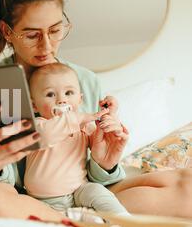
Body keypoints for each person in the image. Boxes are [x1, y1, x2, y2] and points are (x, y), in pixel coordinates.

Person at [0, 0, 192, 221]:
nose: (47, 45)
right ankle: (71, 220)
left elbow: (99, 178)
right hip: (20, 197)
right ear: (7, 32)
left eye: (55, 30)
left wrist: (104, 162)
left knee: (187, 186)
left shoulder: (84, 81)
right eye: (32, 35)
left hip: (82, 192)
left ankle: (70, 218)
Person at [25, 62, 129, 216]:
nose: (61, 100)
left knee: (98, 193)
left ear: (80, 99)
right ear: (34, 105)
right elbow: (46, 135)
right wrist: (78, 118)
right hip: (44, 200)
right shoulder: (38, 125)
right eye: (50, 94)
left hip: (80, 189)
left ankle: (123, 220)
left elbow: (101, 143)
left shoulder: (84, 126)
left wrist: (108, 115)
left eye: (68, 93)